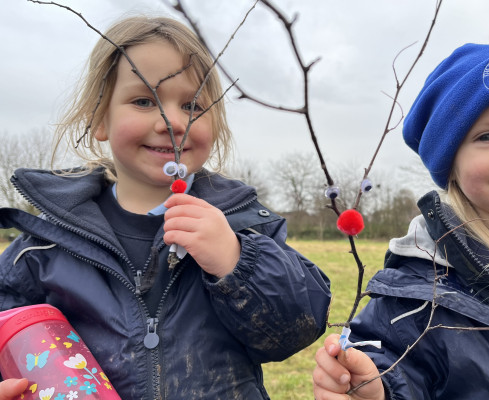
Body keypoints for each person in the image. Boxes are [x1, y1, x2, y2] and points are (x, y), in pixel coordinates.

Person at [0, 16, 331, 399]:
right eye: (144, 101)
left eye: (192, 105)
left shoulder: (243, 227)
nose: (173, 121)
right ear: (98, 118)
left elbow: (296, 330)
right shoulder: (45, 247)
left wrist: (236, 261)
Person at [313, 41, 489, 399]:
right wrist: (373, 389)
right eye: (487, 136)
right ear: (450, 164)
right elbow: (391, 368)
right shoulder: (414, 297)